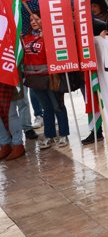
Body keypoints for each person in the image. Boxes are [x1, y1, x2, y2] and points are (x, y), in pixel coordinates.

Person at [22, 13, 70, 149]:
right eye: (31, 20)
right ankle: (49, 136)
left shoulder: (52, 36)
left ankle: (63, 134)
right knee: (46, 108)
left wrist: (49, 39)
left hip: (51, 78)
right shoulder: (26, 38)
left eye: (36, 19)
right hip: (35, 80)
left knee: (57, 106)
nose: (33, 22)